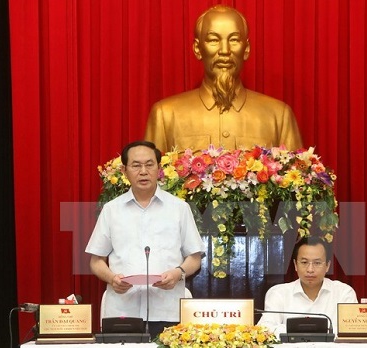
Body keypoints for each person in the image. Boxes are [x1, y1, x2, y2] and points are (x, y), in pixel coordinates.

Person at [85, 140, 206, 339]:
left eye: (149, 164)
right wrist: (112, 278)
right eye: (136, 165)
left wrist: (179, 272)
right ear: (124, 170)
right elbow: (96, 261)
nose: (143, 171)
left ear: (159, 168)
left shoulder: (179, 208)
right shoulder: (111, 210)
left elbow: (194, 257)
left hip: (167, 311)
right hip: (123, 312)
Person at [144, 5, 302, 152]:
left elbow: (297, 177)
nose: (225, 51)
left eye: (234, 40)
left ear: (246, 49)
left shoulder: (278, 116)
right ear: (197, 49)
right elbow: (148, 178)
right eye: (213, 40)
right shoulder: (165, 115)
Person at [257, 236, 357, 336]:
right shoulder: (278, 293)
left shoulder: (344, 293)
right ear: (295, 265)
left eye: (317, 263)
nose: (310, 269)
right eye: (304, 262)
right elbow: (265, 328)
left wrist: (294, 330)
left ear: (327, 266)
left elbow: (353, 330)